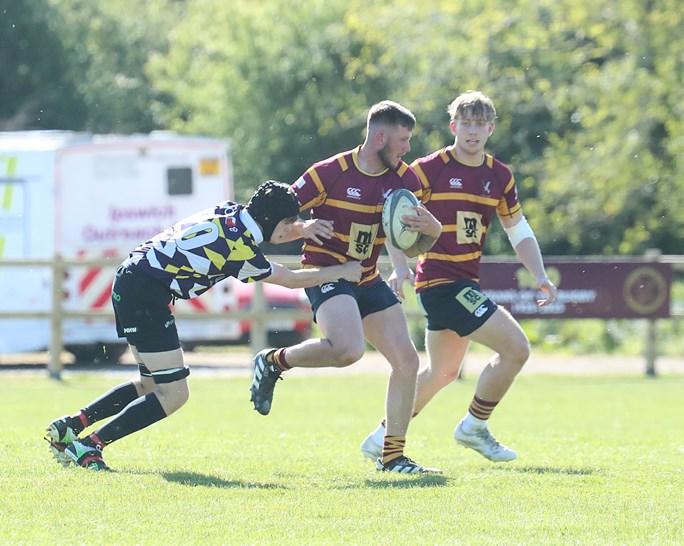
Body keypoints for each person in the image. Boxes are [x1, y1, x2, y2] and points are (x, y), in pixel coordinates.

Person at [45, 180, 363, 471]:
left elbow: (267, 232)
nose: (292, 229)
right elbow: (291, 279)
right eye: (288, 224)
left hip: (133, 278)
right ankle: (90, 445)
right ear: (273, 222)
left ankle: (71, 426)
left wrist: (301, 229)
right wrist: (342, 271)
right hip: (146, 295)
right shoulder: (240, 247)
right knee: (174, 393)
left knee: (152, 384)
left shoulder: (230, 211)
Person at [360, 91, 557, 463]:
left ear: (491, 129)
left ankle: (380, 438)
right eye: (466, 123)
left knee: (442, 373)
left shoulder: (499, 175)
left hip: (465, 282)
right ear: (453, 126)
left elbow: (518, 228)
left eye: (480, 124)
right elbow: (392, 214)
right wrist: (399, 267)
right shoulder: (429, 169)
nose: (473, 131)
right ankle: (474, 427)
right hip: (440, 283)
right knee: (516, 348)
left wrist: (540, 274)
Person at [249, 100, 444, 474]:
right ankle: (273, 361)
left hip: (366, 277)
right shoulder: (329, 173)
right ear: (380, 137)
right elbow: (270, 224)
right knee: (349, 350)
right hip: (326, 274)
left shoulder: (406, 181)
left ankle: (392, 457)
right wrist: (302, 228)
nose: (408, 149)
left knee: (408, 361)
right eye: (403, 140)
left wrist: (431, 232)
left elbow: (409, 244)